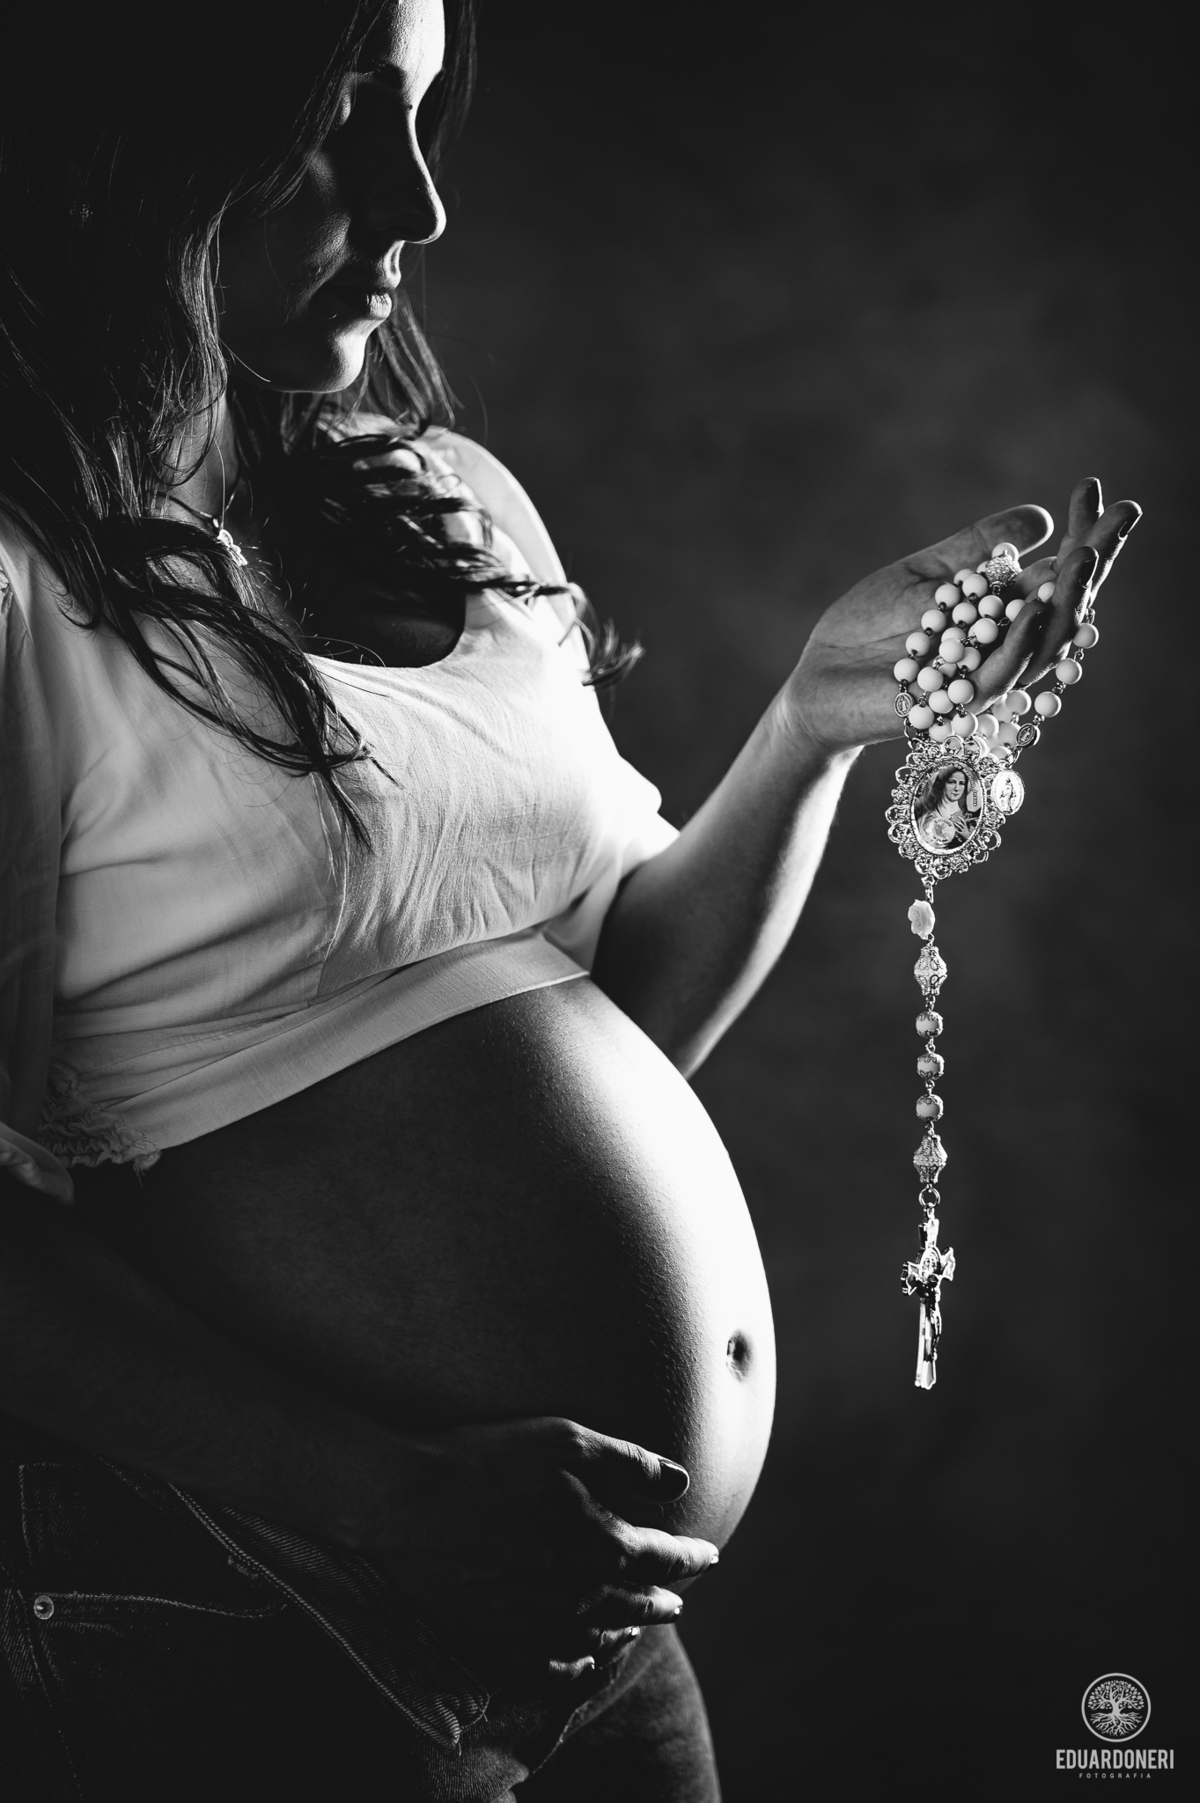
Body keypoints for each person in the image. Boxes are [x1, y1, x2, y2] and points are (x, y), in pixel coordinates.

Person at [0, 1, 1140, 1796]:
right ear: (147, 134)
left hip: (594, 1617)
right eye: (343, 121)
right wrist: (382, 1486)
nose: (422, 202)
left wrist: (816, 724)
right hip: (255, 1587)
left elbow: (623, 1012)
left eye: (431, 110)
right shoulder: (20, 581)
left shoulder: (446, 503)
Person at [915, 766, 984, 850]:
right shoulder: (929, 817)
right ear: (943, 784)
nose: (957, 788)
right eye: (951, 782)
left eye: (962, 783)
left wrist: (967, 836)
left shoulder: (968, 815)